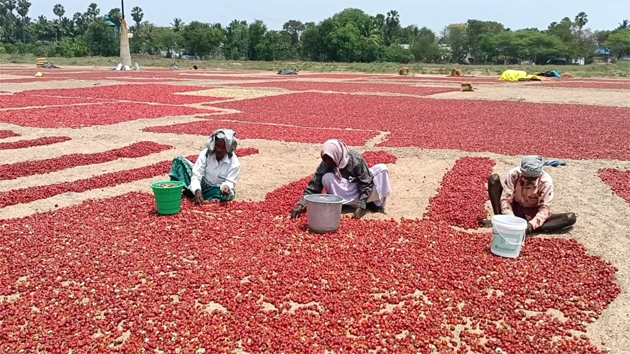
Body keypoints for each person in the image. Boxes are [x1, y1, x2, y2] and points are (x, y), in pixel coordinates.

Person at [290, 139, 392, 220]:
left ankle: (370, 203)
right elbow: (314, 186)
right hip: (345, 189)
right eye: (325, 159)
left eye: (330, 159)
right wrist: (301, 204)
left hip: (360, 188)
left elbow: (365, 183)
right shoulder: (326, 164)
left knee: (382, 169)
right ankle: (340, 202)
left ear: (337, 153)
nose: (328, 163)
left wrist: (361, 206)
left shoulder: (355, 160)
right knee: (327, 178)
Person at [488, 155, 576, 235]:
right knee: (493, 179)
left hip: (533, 212)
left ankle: (529, 228)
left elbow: (545, 208)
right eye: (527, 177)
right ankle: (500, 220)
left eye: (533, 178)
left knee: (570, 217)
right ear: (522, 172)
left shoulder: (546, 181)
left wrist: (531, 225)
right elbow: (506, 200)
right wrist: (511, 219)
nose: (529, 180)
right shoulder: (514, 174)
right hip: (513, 208)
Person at [169, 129, 241, 205]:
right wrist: (197, 190)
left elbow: (230, 182)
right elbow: (197, 174)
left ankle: (192, 192)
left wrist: (226, 187)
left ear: (228, 148)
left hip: (215, 189)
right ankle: (193, 192)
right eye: (217, 146)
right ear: (214, 144)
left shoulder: (234, 163)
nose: (219, 149)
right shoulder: (206, 153)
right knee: (179, 161)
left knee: (229, 195)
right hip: (203, 182)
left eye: (223, 147)